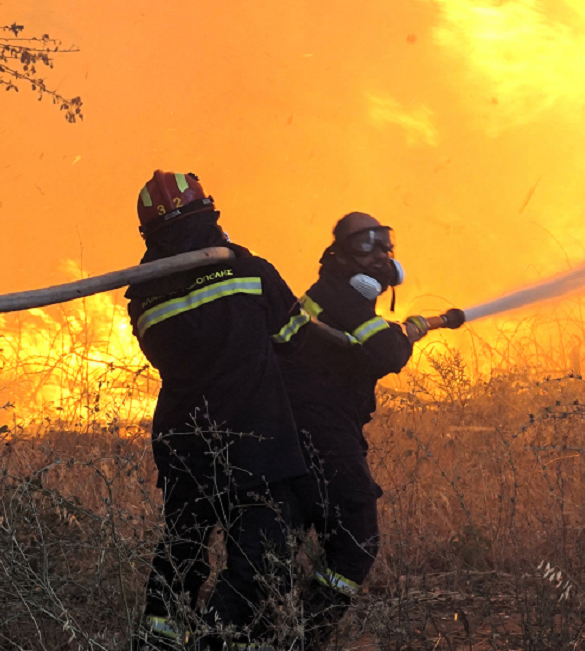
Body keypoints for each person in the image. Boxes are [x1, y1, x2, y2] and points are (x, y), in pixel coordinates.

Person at [125, 171, 309, 651]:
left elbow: (170, 351)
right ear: (209, 213)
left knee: (182, 549)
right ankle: (214, 638)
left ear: (149, 234)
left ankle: (155, 641)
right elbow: (293, 342)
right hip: (255, 441)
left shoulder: (143, 296)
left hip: (185, 441)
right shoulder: (250, 271)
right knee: (262, 557)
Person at [277, 212, 464, 647]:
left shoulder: (335, 297)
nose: (380, 254)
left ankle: (278, 631)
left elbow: (362, 347)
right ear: (340, 254)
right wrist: (408, 332)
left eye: (385, 244)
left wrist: (402, 330)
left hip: (303, 428)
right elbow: (386, 353)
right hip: (322, 430)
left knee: (285, 540)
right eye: (366, 245)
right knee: (356, 537)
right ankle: (303, 637)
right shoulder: (339, 296)